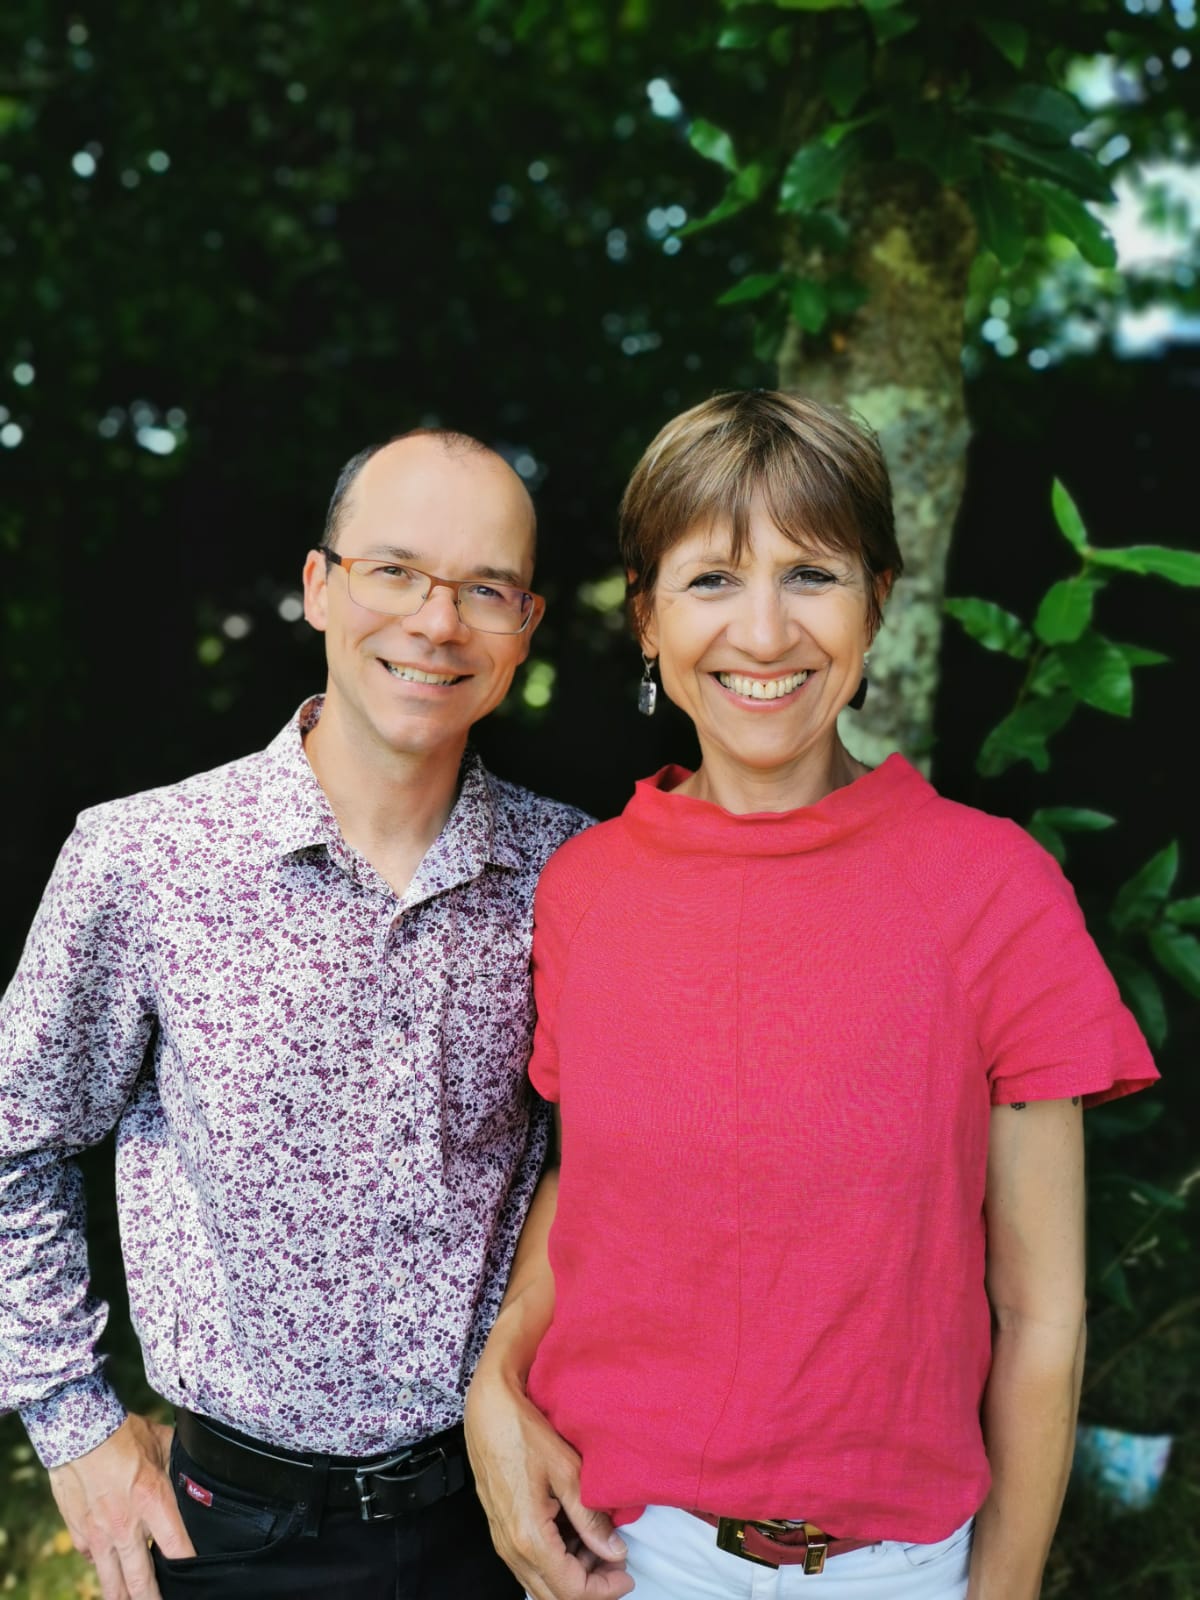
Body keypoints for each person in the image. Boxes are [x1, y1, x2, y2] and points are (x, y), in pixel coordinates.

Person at [464, 390, 1159, 1600]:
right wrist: (496, 1379)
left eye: (814, 574)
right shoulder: (583, 890)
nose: (767, 630)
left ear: (880, 599)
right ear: (646, 618)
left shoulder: (995, 891)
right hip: (626, 1552)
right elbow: (592, 1185)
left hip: (901, 1569)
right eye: (713, 580)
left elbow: (1042, 1316)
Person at [0, 428, 590, 1600]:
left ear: (526, 628)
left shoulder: (572, 872)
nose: (437, 621)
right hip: (229, 1533)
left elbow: (612, 1161)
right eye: (395, 570)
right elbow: (14, 1139)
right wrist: (74, 1421)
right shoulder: (146, 857)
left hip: (507, 1511)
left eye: (486, 589)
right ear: (319, 587)